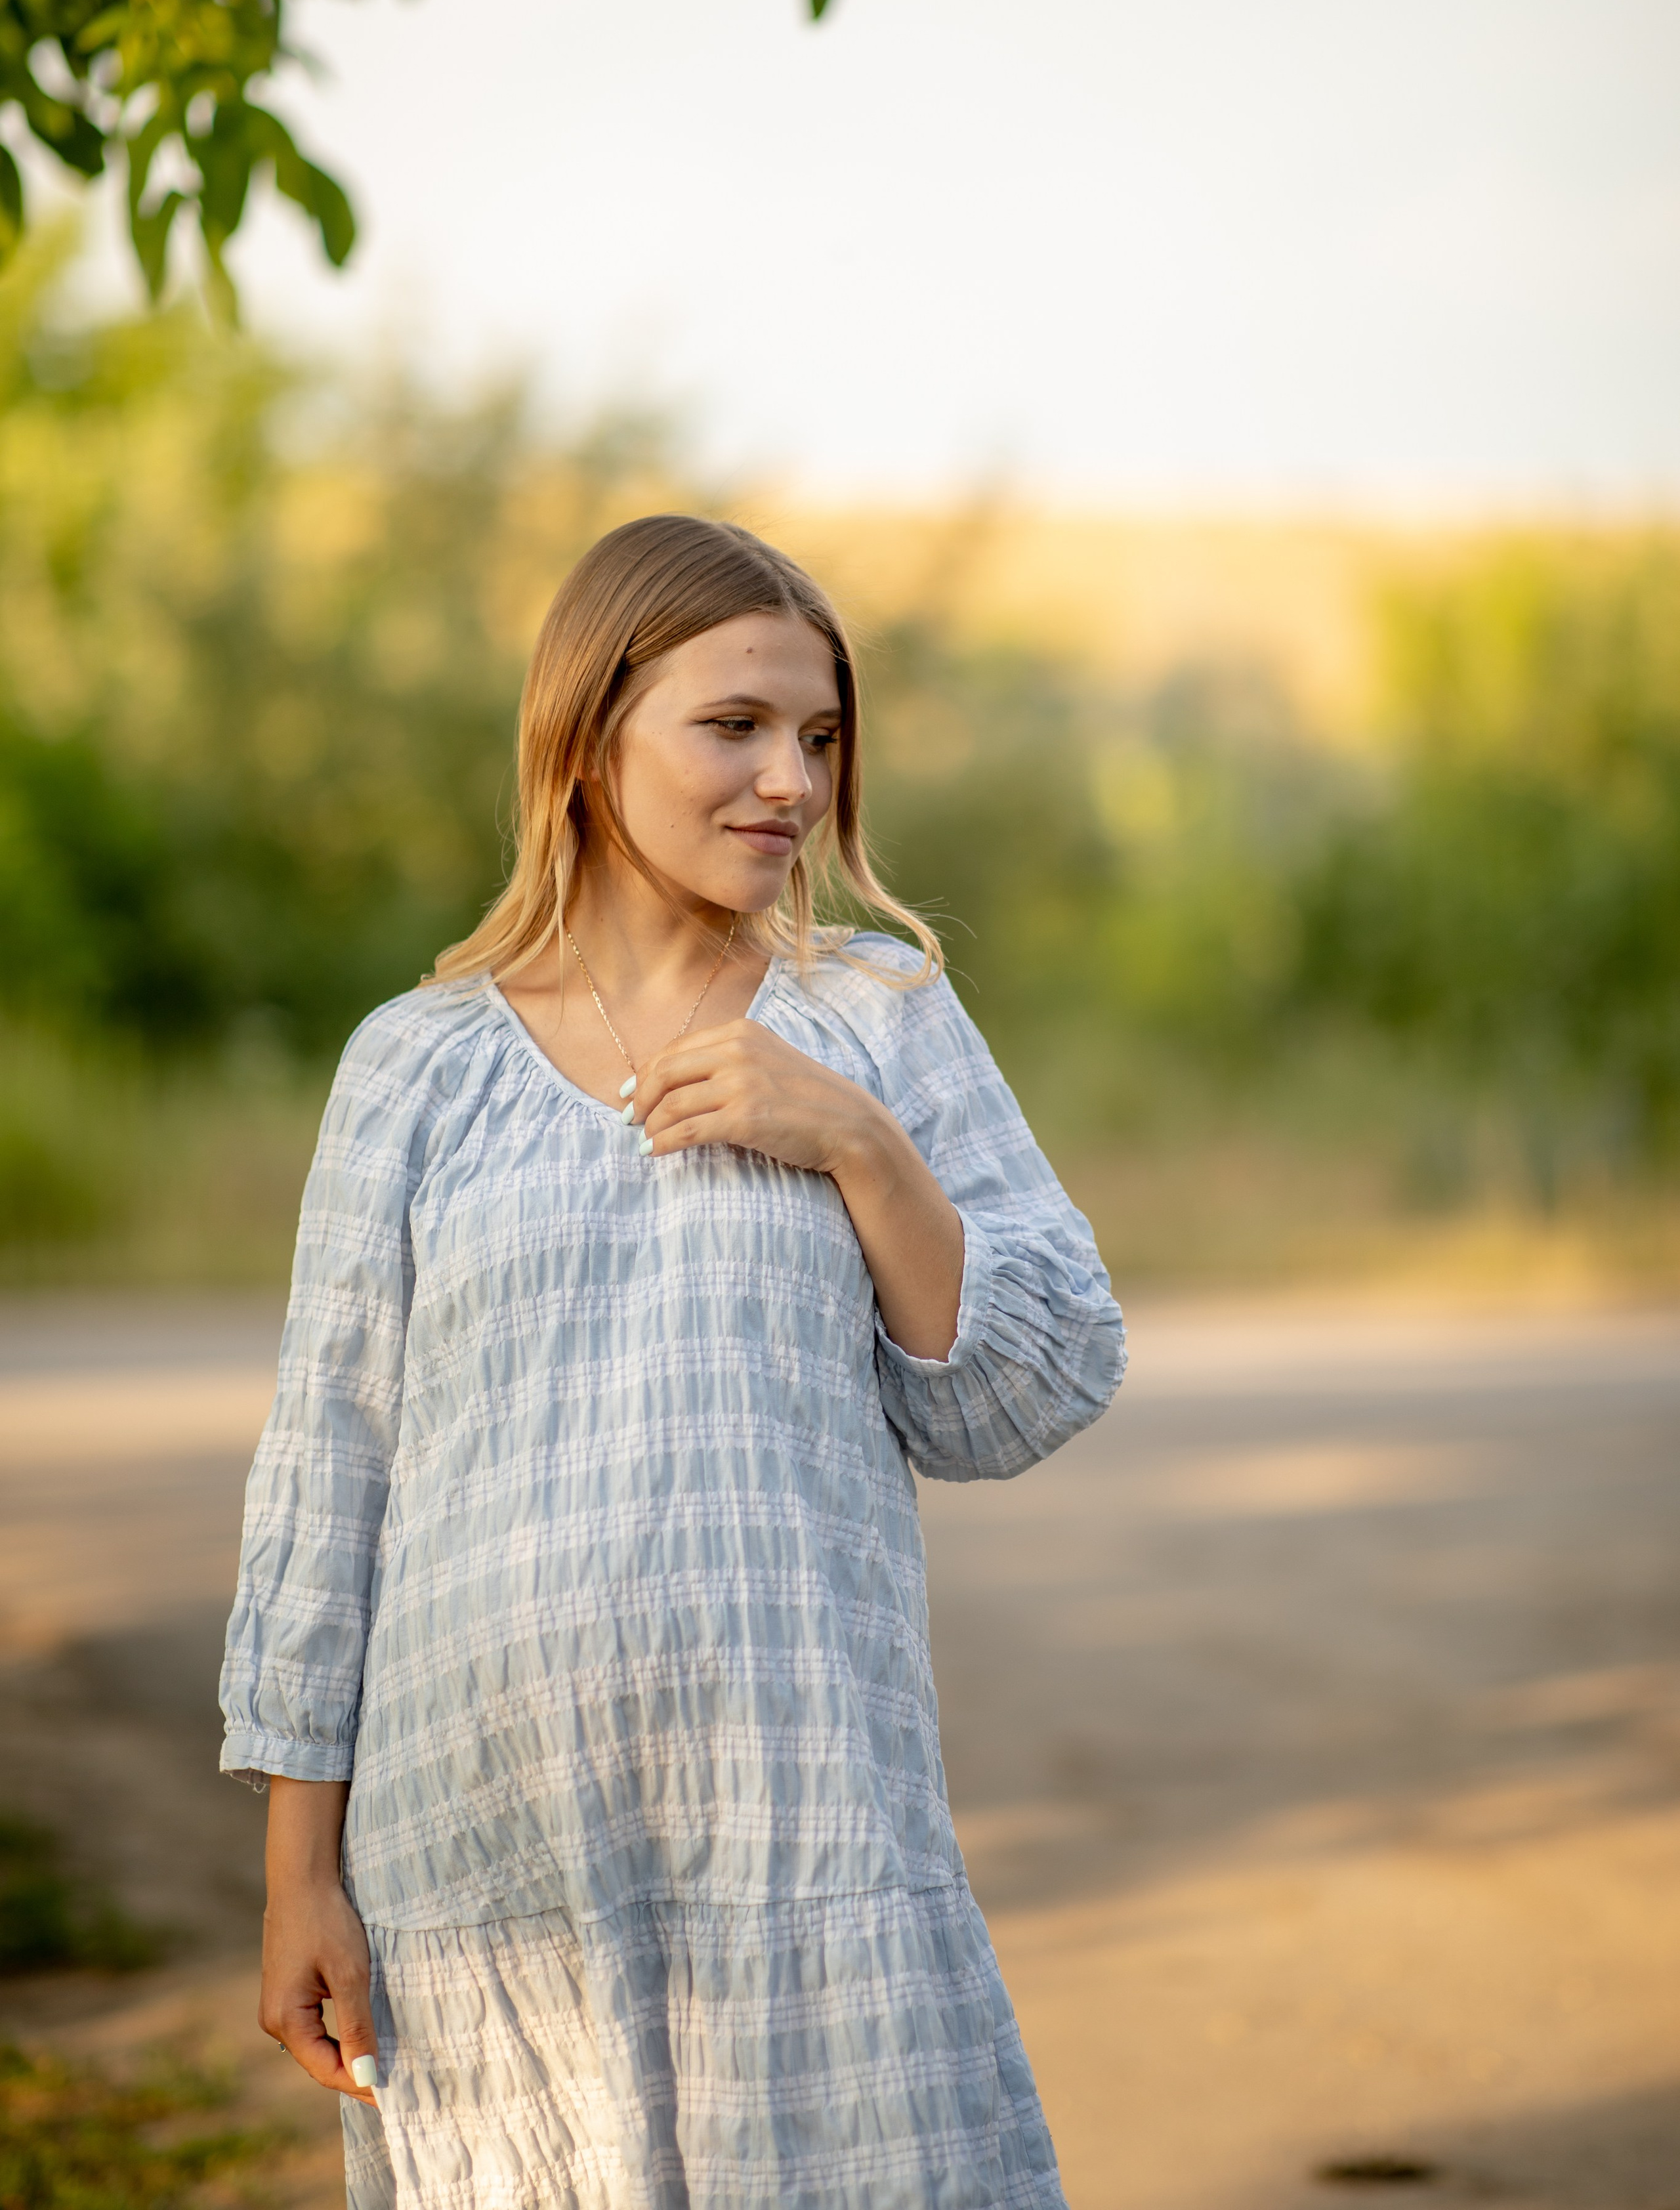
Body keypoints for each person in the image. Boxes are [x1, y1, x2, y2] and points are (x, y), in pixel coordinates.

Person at [220, 513, 1125, 2210]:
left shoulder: (875, 1018)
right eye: (736, 725)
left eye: (821, 735)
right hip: (482, 1873)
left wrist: (859, 1146)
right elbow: (329, 1478)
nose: (792, 781)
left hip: (802, 1840)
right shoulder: (416, 1069)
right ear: (589, 735)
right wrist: (298, 1882)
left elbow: (1039, 1375)